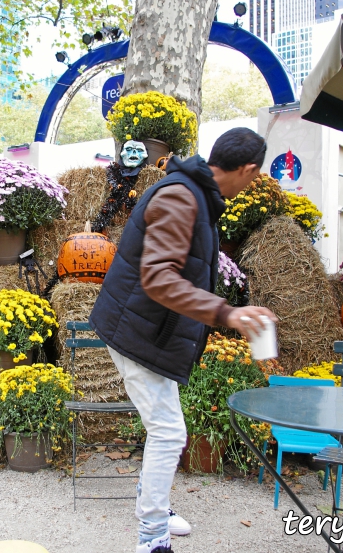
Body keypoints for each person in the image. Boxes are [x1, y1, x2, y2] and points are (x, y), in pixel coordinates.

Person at [89, 128, 279, 553]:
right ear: (248, 169)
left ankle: (150, 505)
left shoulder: (196, 195)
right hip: (137, 332)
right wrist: (227, 314)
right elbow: (158, 278)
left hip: (149, 329)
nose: (252, 183)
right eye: (255, 176)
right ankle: (152, 536)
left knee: (165, 427)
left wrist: (231, 310)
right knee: (169, 432)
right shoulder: (181, 198)